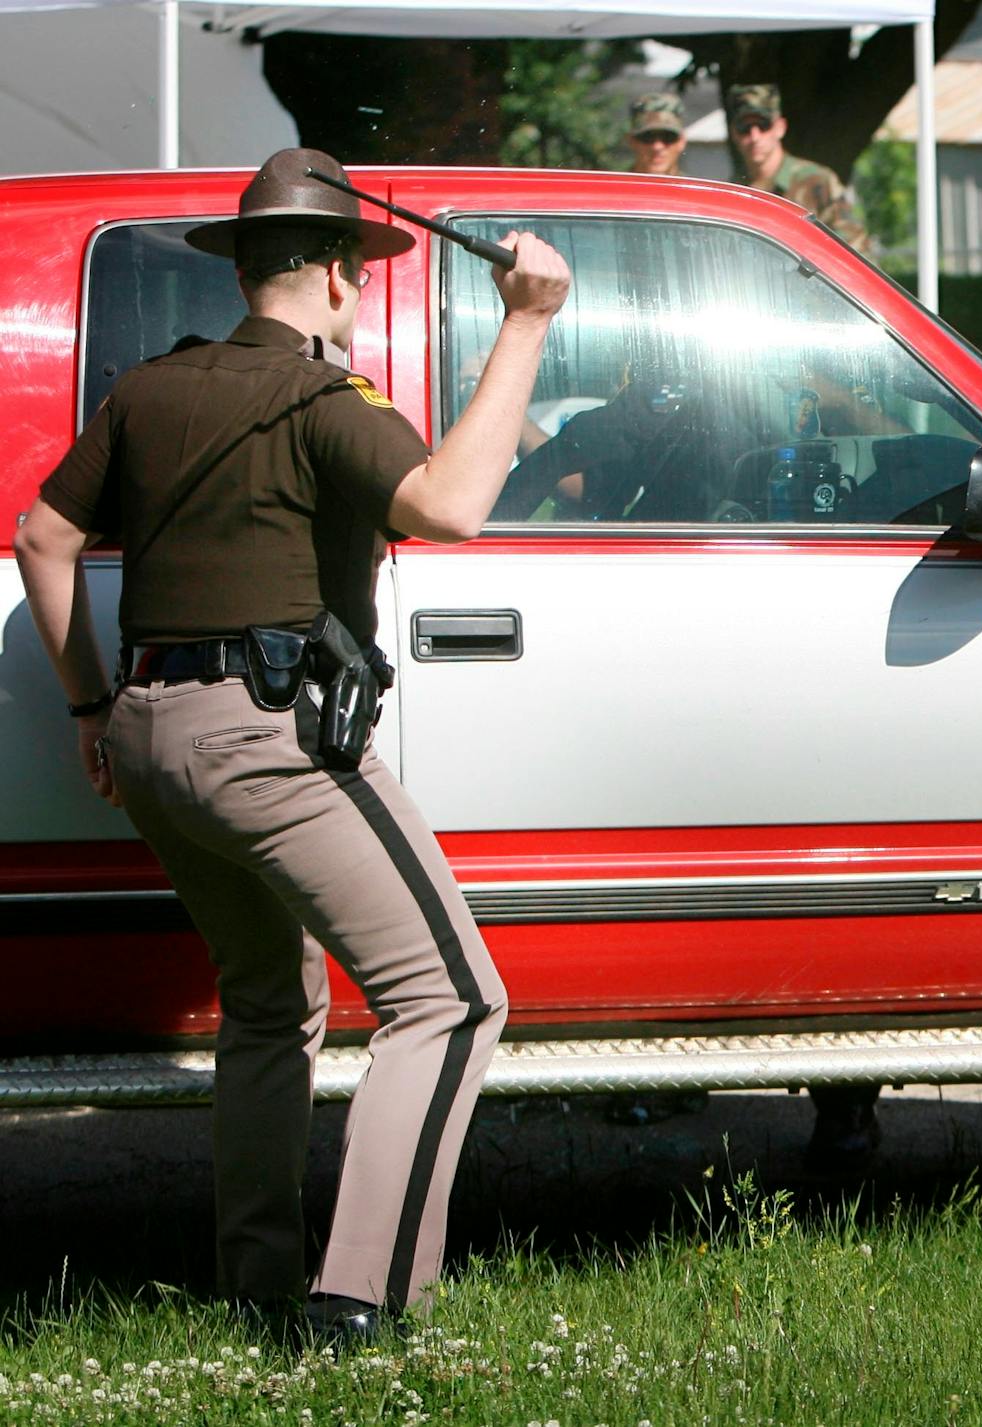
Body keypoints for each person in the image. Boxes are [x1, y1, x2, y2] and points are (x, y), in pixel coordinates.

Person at [14, 148, 571, 1337]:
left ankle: (258, 1283)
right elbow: (451, 507)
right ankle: (359, 1300)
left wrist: (89, 707)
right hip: (268, 743)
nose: (357, 293)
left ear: (245, 270)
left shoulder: (148, 390)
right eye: (358, 275)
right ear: (330, 274)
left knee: (269, 1002)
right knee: (452, 998)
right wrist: (526, 322)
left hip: (149, 737)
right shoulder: (327, 400)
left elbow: (41, 538)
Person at [724, 83, 871, 255]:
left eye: (763, 125)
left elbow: (856, 252)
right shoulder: (733, 194)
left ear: (780, 128)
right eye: (744, 128)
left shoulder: (817, 182)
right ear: (733, 133)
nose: (754, 137)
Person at [626, 92, 688, 176]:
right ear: (631, 140)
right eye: (648, 137)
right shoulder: (614, 184)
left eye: (668, 137)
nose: (657, 147)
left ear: (682, 141)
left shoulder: (695, 184)